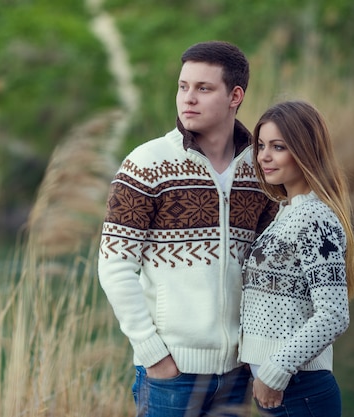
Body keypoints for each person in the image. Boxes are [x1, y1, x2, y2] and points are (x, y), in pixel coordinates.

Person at [97, 40, 277, 417]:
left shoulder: (260, 172)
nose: (188, 98)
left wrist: (260, 355)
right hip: (170, 375)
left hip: (237, 372)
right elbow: (114, 266)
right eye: (183, 87)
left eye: (203, 88)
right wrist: (153, 355)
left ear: (235, 95)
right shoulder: (146, 164)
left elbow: (267, 271)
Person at [238, 100, 354, 416]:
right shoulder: (287, 213)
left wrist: (275, 370)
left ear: (306, 151)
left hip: (300, 390)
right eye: (261, 146)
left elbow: (334, 314)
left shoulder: (315, 219)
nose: (264, 156)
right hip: (284, 390)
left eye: (278, 147)